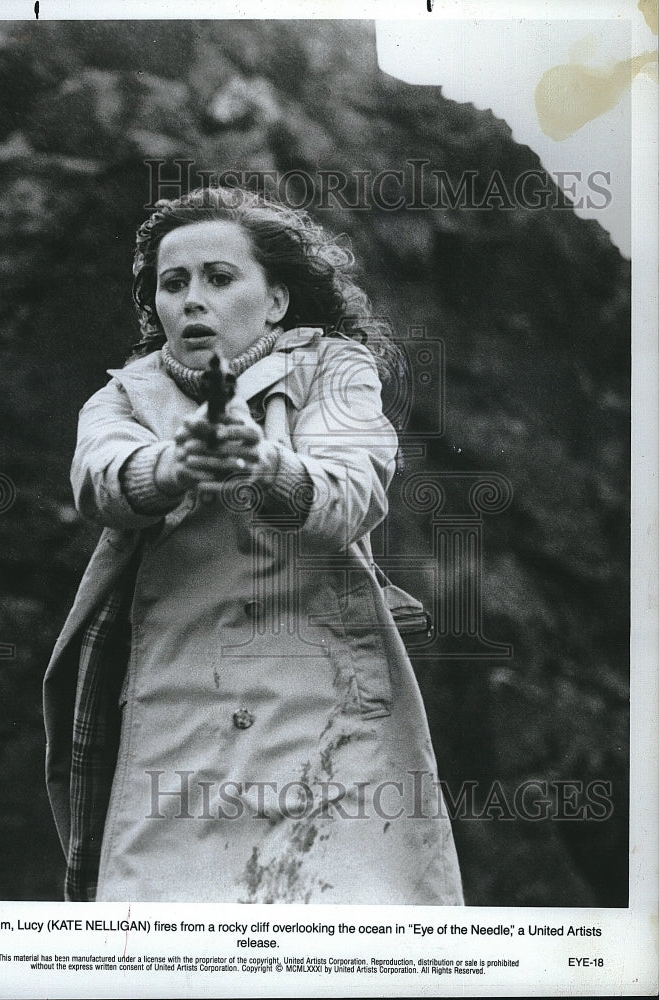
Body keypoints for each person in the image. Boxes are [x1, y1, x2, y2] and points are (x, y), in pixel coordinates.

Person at [43, 186, 464, 905]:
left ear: (275, 301)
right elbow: (101, 481)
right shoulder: (122, 395)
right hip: (173, 702)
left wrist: (267, 465)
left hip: (322, 696)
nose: (191, 299)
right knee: (162, 934)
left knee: (340, 921)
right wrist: (172, 467)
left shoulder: (334, 366)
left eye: (218, 277)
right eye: (172, 284)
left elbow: (354, 486)